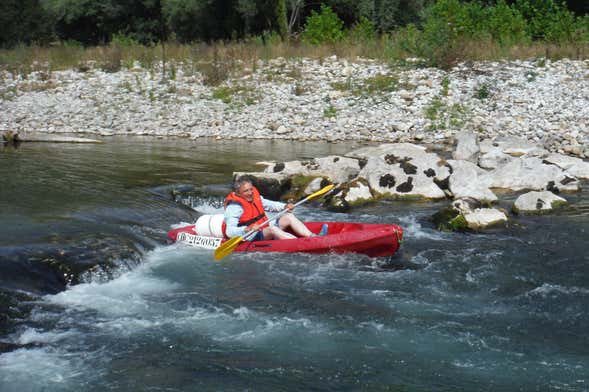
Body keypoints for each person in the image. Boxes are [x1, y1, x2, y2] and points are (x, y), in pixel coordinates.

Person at [223, 179, 326, 241]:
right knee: (273, 229)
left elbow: (268, 204)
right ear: (238, 193)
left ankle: (313, 237)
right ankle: (299, 243)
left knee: (288, 216)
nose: (250, 193)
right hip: (251, 235)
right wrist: (247, 229)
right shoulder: (234, 207)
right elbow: (229, 232)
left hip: (263, 227)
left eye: (251, 189)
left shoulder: (253, 196)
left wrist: (284, 207)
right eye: (246, 191)